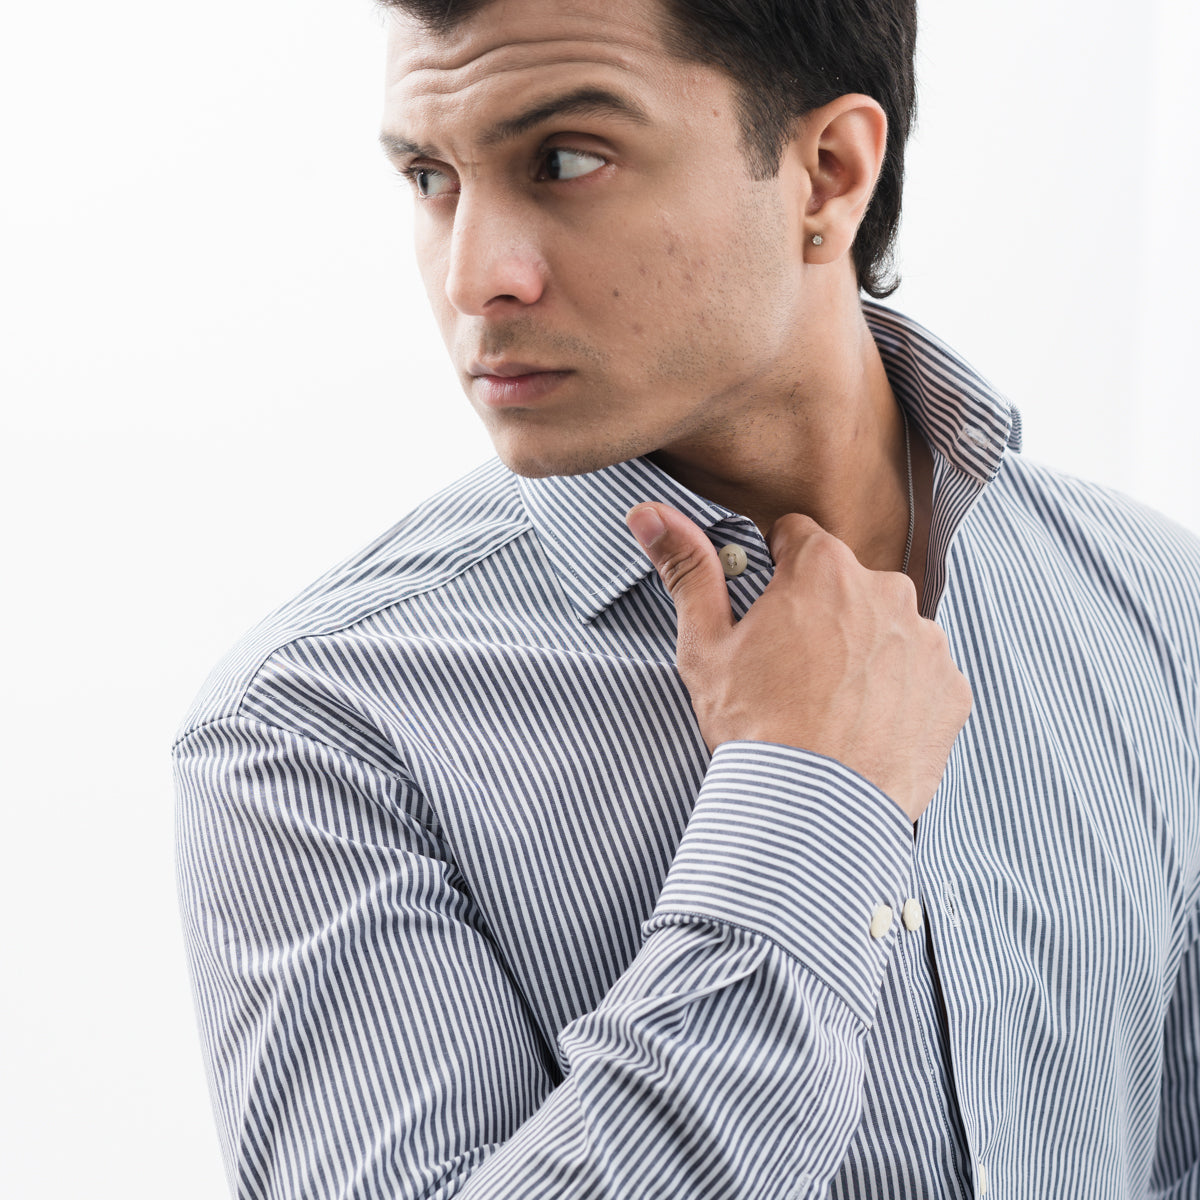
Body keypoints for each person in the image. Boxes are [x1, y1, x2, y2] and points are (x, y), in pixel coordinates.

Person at [172, 0, 1200, 1196]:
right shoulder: (311, 727)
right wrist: (810, 805)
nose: (475, 277)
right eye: (430, 176)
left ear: (827, 174)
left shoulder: (1158, 610)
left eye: (566, 160)